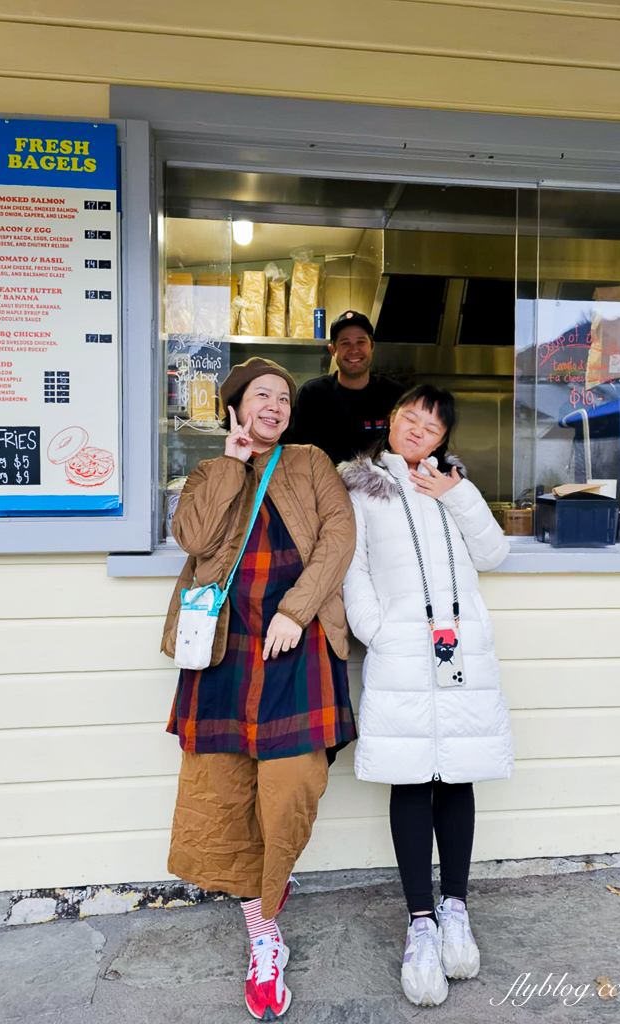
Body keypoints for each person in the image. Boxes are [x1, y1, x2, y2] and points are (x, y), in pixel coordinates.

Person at [161, 356, 357, 1021]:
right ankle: (263, 932)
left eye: (282, 398)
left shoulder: (310, 463)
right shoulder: (208, 473)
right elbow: (191, 536)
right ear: (236, 409)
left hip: (291, 647)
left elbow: (339, 537)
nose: (273, 405)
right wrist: (229, 464)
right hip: (223, 651)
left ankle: (269, 894)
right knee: (222, 792)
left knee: (291, 787)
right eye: (260, 396)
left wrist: (295, 610)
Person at [338, 383, 513, 1008]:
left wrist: (457, 493)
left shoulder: (452, 486)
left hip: (461, 652)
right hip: (404, 652)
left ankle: (456, 908)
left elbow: (494, 554)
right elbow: (351, 567)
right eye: (410, 418)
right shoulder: (359, 487)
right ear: (391, 421)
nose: (417, 431)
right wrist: (377, 630)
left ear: (444, 439)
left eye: (432, 426)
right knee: (411, 779)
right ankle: (420, 923)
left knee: (456, 776)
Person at [287, 309, 403, 464]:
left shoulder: (393, 394)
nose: (354, 350)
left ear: (372, 346)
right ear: (332, 350)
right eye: (345, 343)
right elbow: (295, 452)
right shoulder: (312, 395)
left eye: (361, 342)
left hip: (382, 485)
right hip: (324, 485)